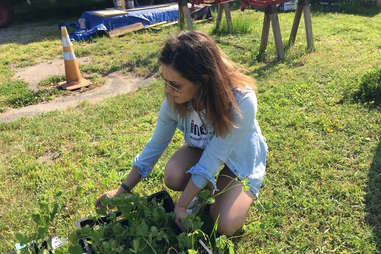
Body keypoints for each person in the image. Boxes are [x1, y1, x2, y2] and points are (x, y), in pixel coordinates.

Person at [95, 30, 268, 236]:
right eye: (165, 81)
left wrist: (182, 205)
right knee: (174, 175)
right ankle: (209, 189)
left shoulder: (241, 102)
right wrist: (122, 190)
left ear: (203, 79)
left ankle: (222, 188)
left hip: (240, 156)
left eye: (176, 85)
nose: (168, 91)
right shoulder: (174, 101)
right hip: (204, 151)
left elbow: (213, 159)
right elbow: (154, 147)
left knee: (224, 224)